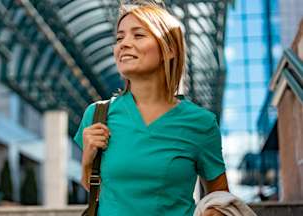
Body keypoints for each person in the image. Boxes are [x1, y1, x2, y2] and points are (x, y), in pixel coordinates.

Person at [74, 1, 229, 215]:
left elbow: (220, 197)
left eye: (138, 35)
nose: (124, 44)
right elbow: (99, 192)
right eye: (120, 37)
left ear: (169, 49)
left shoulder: (201, 123)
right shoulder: (97, 115)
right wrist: (87, 161)